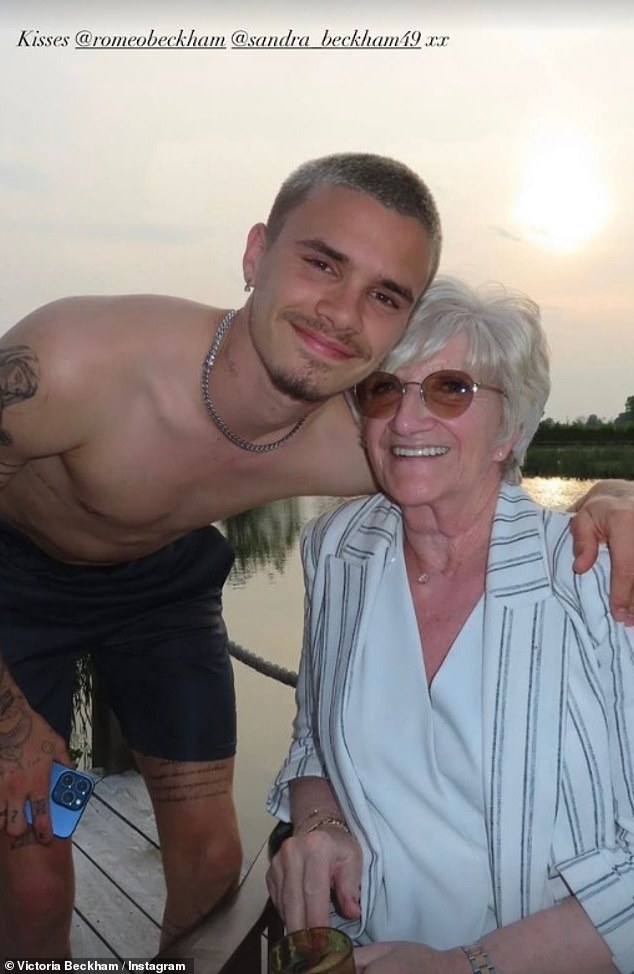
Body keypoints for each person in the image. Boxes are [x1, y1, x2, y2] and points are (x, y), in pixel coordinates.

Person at [0, 153, 630, 960]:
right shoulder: (70, 364)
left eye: (384, 296)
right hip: (16, 585)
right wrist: (16, 733)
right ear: (257, 253)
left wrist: (614, 493)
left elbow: (490, 473)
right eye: (322, 263)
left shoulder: (371, 438)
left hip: (160, 586)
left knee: (214, 860)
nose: (340, 312)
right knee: (34, 865)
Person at [266, 277, 634, 974]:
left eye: (450, 389)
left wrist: (469, 965)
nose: (406, 421)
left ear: (511, 429)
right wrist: (320, 826)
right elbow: (315, 737)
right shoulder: (339, 550)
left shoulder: (600, 574)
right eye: (383, 389)